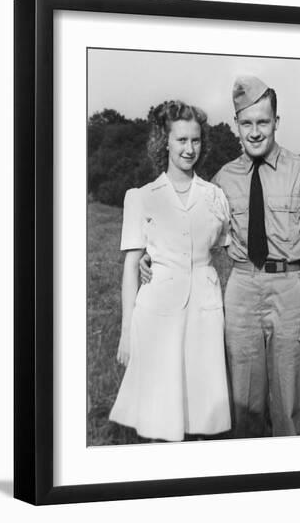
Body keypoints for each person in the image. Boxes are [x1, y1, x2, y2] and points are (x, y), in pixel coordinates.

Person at [141, 76, 300, 438]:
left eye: (263, 122)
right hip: (242, 288)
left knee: (288, 404)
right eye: (247, 123)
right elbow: (195, 234)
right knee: (243, 403)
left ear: (276, 121)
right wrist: (153, 256)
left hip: (291, 288)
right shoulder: (221, 181)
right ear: (237, 125)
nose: (256, 132)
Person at [109, 100, 232, 442]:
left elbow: (225, 250)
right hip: (156, 311)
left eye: (195, 141)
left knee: (201, 410)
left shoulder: (214, 196)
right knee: (158, 412)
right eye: (181, 140)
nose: (189, 149)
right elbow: (131, 266)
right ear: (165, 141)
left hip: (204, 311)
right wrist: (125, 333)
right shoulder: (142, 197)